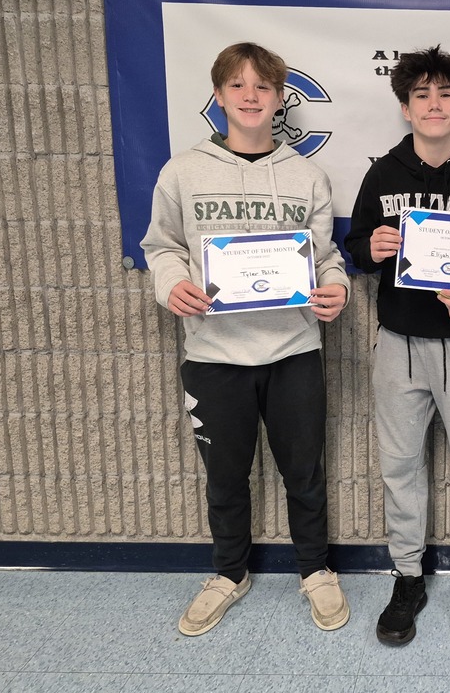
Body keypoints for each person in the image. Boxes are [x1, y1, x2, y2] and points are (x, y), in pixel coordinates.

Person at [141, 42, 352, 637]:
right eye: (238, 86)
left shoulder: (307, 175)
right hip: (213, 354)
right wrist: (172, 285)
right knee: (226, 476)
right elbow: (161, 248)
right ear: (218, 97)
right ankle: (229, 572)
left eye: (263, 86)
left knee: (303, 472)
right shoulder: (181, 171)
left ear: (283, 97)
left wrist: (335, 290)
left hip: (294, 352)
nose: (251, 96)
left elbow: (326, 258)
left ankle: (315, 568)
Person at [345, 46, 450, 645]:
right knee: (400, 466)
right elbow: (355, 247)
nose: (434, 105)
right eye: (421, 95)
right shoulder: (383, 173)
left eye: (445, 95)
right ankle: (408, 575)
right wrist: (373, 250)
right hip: (399, 343)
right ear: (407, 108)